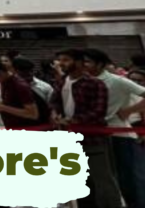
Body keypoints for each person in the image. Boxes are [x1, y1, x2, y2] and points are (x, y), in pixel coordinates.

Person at [50, 49, 120, 208]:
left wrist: (74, 121)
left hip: (92, 139)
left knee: (103, 180)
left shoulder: (95, 83)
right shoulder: (62, 81)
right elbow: (54, 101)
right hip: (69, 139)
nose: (61, 63)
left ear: (80, 62)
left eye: (66, 59)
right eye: (60, 60)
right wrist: (55, 113)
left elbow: (98, 111)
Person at [83, 48, 145, 208]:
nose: (84, 64)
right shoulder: (84, 82)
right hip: (96, 135)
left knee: (130, 178)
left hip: (120, 134)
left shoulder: (117, 80)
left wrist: (128, 111)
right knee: (107, 178)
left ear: (100, 64)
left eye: (88, 61)